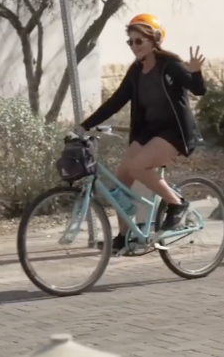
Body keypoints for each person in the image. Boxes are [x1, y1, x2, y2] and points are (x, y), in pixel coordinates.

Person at [80, 13, 207, 253]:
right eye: (130, 42)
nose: (134, 46)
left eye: (139, 41)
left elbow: (198, 90)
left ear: (154, 40)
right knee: (121, 179)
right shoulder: (136, 71)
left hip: (174, 132)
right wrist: (84, 125)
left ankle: (176, 203)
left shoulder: (171, 65)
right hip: (148, 132)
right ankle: (125, 237)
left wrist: (196, 72)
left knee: (138, 166)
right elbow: (116, 101)